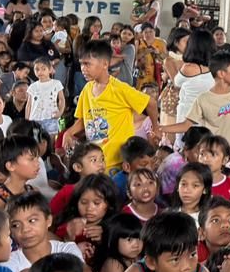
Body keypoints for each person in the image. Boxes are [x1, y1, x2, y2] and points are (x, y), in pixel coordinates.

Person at [63, 38, 160, 173]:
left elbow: (151, 103)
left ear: (105, 64)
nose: (83, 69)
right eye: (81, 64)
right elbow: (84, 120)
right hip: (95, 163)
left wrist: (156, 128)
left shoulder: (119, 89)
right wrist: (69, 132)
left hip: (118, 163)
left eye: (87, 64)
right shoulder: (87, 89)